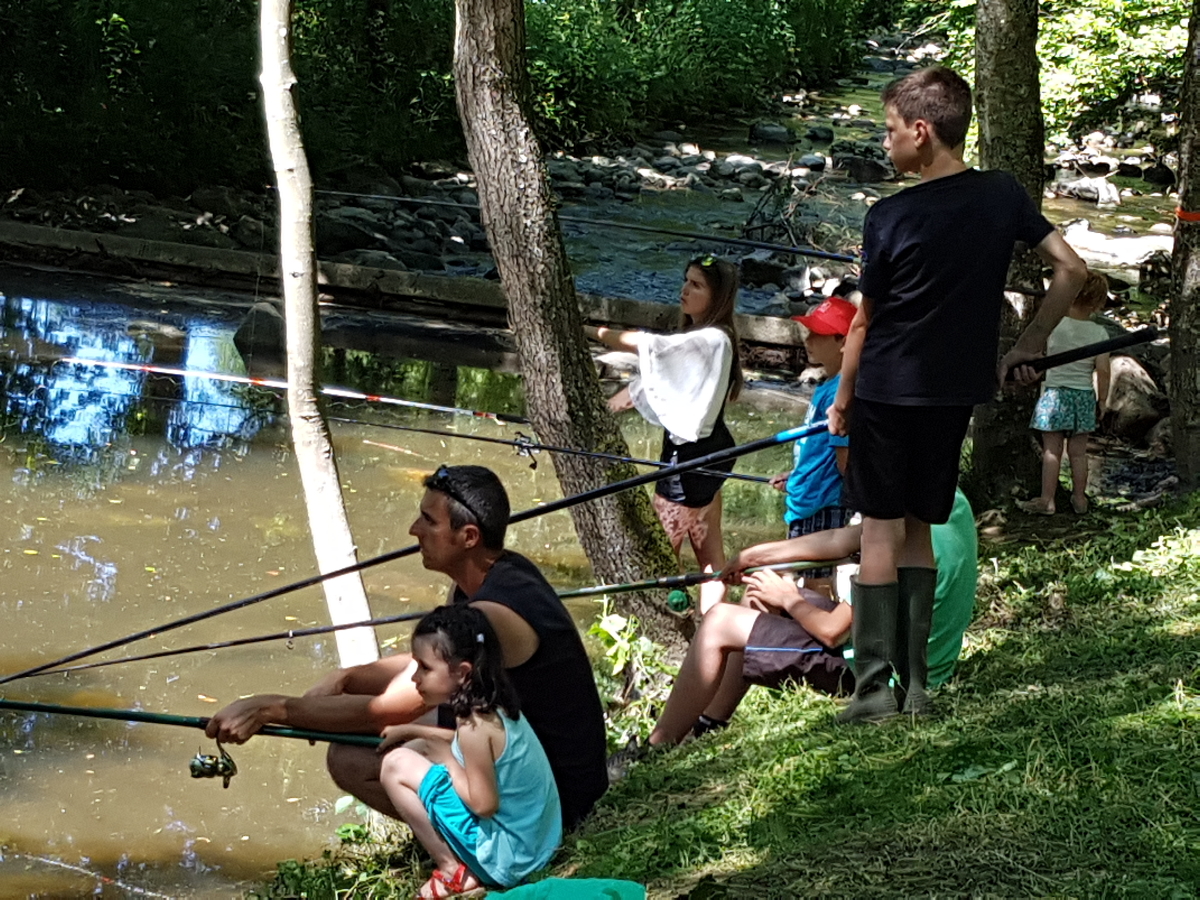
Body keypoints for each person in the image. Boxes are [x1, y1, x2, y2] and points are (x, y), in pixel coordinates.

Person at [826, 65, 1088, 723]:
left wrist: (842, 398)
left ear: (921, 131)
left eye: (889, 133)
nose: (885, 146)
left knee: (880, 534)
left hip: (887, 389)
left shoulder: (888, 215)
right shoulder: (1001, 194)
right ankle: (917, 689)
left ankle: (872, 695)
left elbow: (864, 320)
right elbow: (1072, 268)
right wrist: (1031, 343)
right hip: (951, 396)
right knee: (920, 529)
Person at [206, 465, 608, 832]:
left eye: (429, 521)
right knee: (388, 729)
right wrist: (347, 677)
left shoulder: (492, 613)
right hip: (520, 760)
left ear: (468, 537)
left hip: (557, 802)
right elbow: (424, 665)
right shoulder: (496, 573)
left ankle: (480, 848)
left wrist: (270, 709)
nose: (414, 530)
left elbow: (386, 710)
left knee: (349, 758)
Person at [645, 489, 977, 748]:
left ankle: (657, 745)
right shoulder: (947, 504)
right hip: (924, 661)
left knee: (718, 621)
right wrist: (754, 556)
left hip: (873, 674)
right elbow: (842, 540)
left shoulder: (896, 550)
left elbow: (833, 633)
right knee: (755, 595)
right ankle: (709, 723)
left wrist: (788, 598)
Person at [587, 254, 744, 615]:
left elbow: (649, 347)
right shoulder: (712, 339)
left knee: (659, 552)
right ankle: (712, 626)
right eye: (685, 280)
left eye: (696, 285)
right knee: (709, 559)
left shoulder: (712, 340)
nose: (684, 290)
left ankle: (662, 626)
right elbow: (660, 380)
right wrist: (620, 401)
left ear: (717, 296)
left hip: (689, 466)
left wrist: (591, 331)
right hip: (711, 457)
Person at [375, 604, 561, 898]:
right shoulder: (491, 704)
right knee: (415, 748)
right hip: (538, 842)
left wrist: (447, 758)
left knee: (395, 765)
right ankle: (456, 861)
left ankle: (452, 872)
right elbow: (469, 749)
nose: (415, 679)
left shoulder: (473, 725)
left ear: (462, 673)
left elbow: (484, 805)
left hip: (512, 860)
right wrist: (412, 731)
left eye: (424, 668)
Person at [769, 296, 857, 599]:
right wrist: (795, 475)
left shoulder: (841, 393)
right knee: (803, 578)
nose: (808, 339)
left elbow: (844, 457)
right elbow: (817, 449)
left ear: (842, 341)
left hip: (823, 503)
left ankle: (817, 640)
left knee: (816, 581)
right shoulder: (829, 386)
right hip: (807, 496)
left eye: (818, 333)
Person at [1018, 271, 1111, 516]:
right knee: (1079, 454)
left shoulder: (1055, 326)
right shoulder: (1100, 334)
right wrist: (1102, 400)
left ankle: (1047, 500)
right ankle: (1080, 499)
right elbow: (1102, 371)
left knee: (1052, 451)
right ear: (1098, 304)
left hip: (1054, 395)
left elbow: (1041, 358)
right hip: (1083, 396)